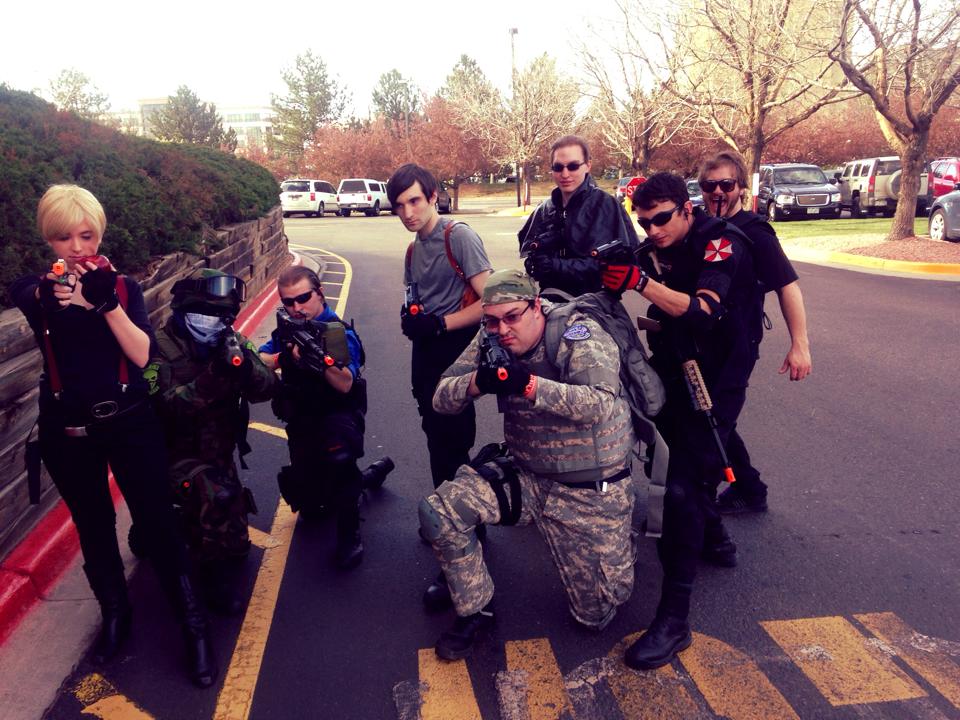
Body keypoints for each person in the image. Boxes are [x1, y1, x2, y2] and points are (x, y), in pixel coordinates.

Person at [9, 185, 216, 687]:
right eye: (64, 238)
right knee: (94, 525)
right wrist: (50, 296)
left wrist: (106, 305)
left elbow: (143, 355)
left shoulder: (121, 288)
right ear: (49, 240)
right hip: (67, 430)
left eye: (86, 235)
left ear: (100, 233)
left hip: (128, 421)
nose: (77, 247)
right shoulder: (40, 292)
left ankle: (193, 625)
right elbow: (25, 292)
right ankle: (116, 614)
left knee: (157, 521)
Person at [419, 269, 638, 660]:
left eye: (512, 317)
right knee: (441, 512)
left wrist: (528, 385)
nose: (502, 330)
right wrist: (479, 382)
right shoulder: (490, 334)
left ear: (536, 307)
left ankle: (618, 543)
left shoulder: (577, 333)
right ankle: (476, 610)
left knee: (596, 615)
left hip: (587, 492)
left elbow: (598, 404)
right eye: (492, 320)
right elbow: (441, 397)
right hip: (529, 477)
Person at [601, 172, 762, 670]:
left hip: (719, 375)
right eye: (644, 223)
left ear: (687, 209)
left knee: (681, 489)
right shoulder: (651, 248)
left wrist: (640, 282)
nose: (653, 230)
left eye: (662, 219)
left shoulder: (721, 244)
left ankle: (674, 621)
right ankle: (714, 537)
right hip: (673, 367)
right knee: (668, 459)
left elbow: (704, 312)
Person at [144, 269, 277, 615]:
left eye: (222, 317)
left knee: (238, 547)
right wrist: (215, 377)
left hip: (219, 452)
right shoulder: (158, 350)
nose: (214, 323)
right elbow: (167, 407)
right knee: (216, 499)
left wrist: (245, 369)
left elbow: (267, 387)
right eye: (205, 314)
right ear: (183, 310)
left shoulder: (229, 341)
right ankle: (211, 578)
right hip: (175, 455)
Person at [699, 151, 812, 514]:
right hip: (701, 343)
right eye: (709, 185)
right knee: (710, 418)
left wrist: (799, 345)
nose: (718, 192)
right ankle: (749, 488)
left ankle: (698, 513)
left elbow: (787, 286)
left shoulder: (755, 232)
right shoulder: (701, 227)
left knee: (713, 426)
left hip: (737, 346)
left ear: (741, 188)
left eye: (726, 184)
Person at [259, 266, 385, 570]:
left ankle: (350, 534)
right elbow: (260, 358)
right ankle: (362, 479)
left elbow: (345, 384)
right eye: (288, 301)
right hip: (302, 419)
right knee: (313, 510)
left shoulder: (337, 333)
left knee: (341, 468)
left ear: (320, 293)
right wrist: (283, 357)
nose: (296, 307)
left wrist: (318, 360)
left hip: (337, 416)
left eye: (303, 298)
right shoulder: (288, 326)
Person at [387, 163, 492, 489]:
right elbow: (414, 298)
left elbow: (493, 301)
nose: (407, 213)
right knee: (435, 436)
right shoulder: (412, 250)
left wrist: (439, 324)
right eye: (399, 206)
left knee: (454, 442)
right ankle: (444, 507)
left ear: (432, 197)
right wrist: (411, 318)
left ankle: (464, 513)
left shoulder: (457, 236)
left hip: (455, 349)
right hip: (426, 356)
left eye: (414, 201)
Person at [518, 135, 640, 297]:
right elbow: (529, 251)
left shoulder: (605, 204)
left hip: (595, 302)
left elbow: (613, 265)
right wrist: (534, 263)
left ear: (588, 165)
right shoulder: (545, 208)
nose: (565, 174)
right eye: (558, 167)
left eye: (573, 166)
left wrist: (554, 265)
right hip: (549, 298)